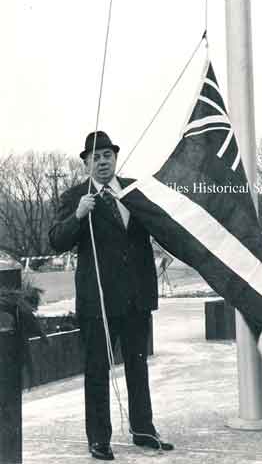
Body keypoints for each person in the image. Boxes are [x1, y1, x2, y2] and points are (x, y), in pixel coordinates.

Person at [49, 131, 174, 460]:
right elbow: (56, 240)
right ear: (86, 163)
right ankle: (98, 439)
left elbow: (163, 227)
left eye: (107, 155)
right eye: (95, 157)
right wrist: (78, 215)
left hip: (136, 298)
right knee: (96, 370)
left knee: (137, 366)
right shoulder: (77, 196)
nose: (103, 162)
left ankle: (144, 430)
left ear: (115, 158)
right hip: (99, 302)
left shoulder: (136, 190)